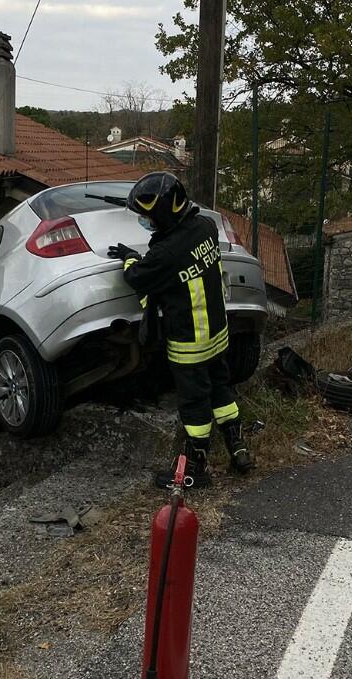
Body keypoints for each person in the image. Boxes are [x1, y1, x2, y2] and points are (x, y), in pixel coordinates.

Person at [108, 172, 253, 488]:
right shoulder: (206, 227)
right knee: (221, 389)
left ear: (162, 213)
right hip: (217, 334)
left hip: (190, 344)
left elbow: (137, 277)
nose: (146, 222)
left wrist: (130, 258)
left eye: (148, 217)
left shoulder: (166, 253)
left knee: (194, 404)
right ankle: (237, 446)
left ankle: (196, 466)